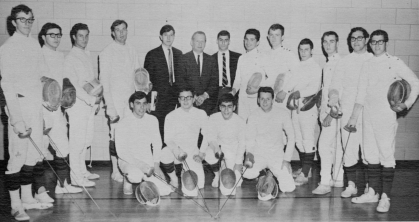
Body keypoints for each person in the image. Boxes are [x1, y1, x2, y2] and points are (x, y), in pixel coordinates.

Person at [349, 30, 419, 212]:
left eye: (380, 42)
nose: (377, 45)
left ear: (386, 43)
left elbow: (415, 82)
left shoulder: (394, 62)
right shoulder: (367, 63)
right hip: (367, 115)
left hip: (386, 115)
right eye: (374, 42)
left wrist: (407, 104)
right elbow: (361, 93)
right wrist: (354, 117)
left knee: (386, 154)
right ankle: (372, 192)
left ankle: (385, 197)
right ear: (369, 44)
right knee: (369, 155)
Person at [0, 4, 53, 221]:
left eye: (30, 20)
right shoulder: (7, 48)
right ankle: (15, 205)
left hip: (35, 106)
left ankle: (28, 199)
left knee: (34, 155)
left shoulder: (34, 45)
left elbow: (41, 77)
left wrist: (49, 99)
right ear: (13, 22)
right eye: (22, 20)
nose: (27, 24)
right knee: (17, 158)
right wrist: (16, 118)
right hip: (19, 108)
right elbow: (8, 86)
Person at [328, 27, 373, 198]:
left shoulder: (372, 59)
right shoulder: (344, 61)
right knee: (349, 150)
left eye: (359, 38)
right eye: (353, 38)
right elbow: (335, 86)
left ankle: (370, 187)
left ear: (366, 39)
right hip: (347, 111)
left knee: (369, 151)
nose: (356, 41)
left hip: (367, 112)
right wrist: (333, 98)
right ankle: (352, 185)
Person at [38, 22, 82, 194]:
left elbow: (62, 81)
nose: (56, 38)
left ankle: (62, 185)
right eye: (52, 35)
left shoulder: (60, 56)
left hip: (57, 110)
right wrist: (44, 105)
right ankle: (38, 192)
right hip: (42, 109)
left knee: (63, 146)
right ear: (43, 37)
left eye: (58, 35)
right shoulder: (38, 55)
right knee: (39, 152)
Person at [276, 38, 322, 186]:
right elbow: (291, 82)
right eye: (301, 50)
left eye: (306, 50)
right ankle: (304, 169)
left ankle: (305, 173)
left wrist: (298, 93)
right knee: (298, 140)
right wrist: (284, 91)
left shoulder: (315, 67)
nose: (303, 52)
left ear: (311, 50)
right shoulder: (299, 66)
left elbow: (314, 88)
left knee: (307, 139)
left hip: (308, 107)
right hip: (295, 108)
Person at [100, 20, 140, 183]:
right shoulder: (106, 52)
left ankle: (130, 168)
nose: (122, 33)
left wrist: (143, 92)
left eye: (124, 29)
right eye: (118, 30)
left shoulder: (132, 50)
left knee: (131, 136)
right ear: (112, 33)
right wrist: (110, 107)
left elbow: (138, 76)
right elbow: (104, 82)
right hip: (115, 102)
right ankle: (115, 169)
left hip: (130, 103)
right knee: (115, 136)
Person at [64, 23, 101, 187]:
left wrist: (96, 101)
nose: (84, 39)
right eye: (81, 36)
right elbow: (74, 86)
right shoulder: (70, 58)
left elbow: (91, 82)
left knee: (86, 141)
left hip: (89, 106)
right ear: (73, 37)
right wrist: (90, 100)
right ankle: (76, 178)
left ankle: (82, 171)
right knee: (77, 143)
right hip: (77, 106)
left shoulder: (86, 54)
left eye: (86, 35)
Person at [115, 91, 172, 196]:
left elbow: (157, 143)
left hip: (147, 159)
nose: (142, 107)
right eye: (138, 103)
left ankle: (147, 180)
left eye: (144, 103)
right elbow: (121, 152)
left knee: (165, 191)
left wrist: (156, 165)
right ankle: (127, 180)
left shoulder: (153, 120)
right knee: (135, 176)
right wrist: (140, 165)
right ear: (131, 105)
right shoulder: (123, 123)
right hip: (127, 160)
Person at [243, 87, 296, 199]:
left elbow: (292, 137)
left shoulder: (282, 113)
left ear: (272, 100)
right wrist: (249, 155)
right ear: (258, 100)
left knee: (288, 187)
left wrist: (287, 160)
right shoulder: (253, 116)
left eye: (268, 99)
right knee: (247, 173)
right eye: (262, 99)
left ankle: (271, 174)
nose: (265, 102)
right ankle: (263, 174)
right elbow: (249, 139)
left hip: (276, 155)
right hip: (259, 155)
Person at [160, 86, 208, 196]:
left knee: (198, 186)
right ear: (178, 99)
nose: (185, 100)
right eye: (182, 98)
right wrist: (178, 151)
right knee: (164, 153)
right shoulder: (171, 116)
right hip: (176, 152)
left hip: (192, 153)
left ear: (194, 98)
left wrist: (201, 153)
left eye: (188, 97)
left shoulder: (201, 114)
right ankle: (174, 179)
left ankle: (185, 171)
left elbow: (207, 135)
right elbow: (168, 139)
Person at [312, 31, 344, 194]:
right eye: (325, 41)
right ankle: (338, 178)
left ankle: (325, 182)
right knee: (335, 146)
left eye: (331, 41)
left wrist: (331, 114)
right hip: (328, 111)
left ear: (337, 43)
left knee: (324, 146)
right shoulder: (328, 63)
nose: (328, 45)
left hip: (334, 112)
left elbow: (338, 91)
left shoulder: (340, 62)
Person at [145, 24, 183, 143]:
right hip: (158, 99)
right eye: (165, 35)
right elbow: (147, 81)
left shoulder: (179, 54)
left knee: (172, 129)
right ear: (160, 37)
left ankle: (169, 157)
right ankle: (159, 157)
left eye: (171, 35)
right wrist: (148, 102)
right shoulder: (152, 54)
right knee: (158, 129)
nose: (168, 38)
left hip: (174, 99)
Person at [204, 93, 245, 195]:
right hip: (219, 150)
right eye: (223, 106)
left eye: (229, 107)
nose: (226, 110)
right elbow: (210, 138)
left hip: (233, 153)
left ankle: (226, 168)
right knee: (209, 154)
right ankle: (217, 174)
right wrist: (216, 148)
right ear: (219, 107)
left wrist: (238, 162)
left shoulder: (240, 121)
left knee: (237, 183)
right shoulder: (213, 118)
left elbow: (242, 143)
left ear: (234, 107)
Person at [178, 31, 218, 115]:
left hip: (207, 104)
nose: (200, 44)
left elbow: (214, 82)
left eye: (202, 41)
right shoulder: (183, 59)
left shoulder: (211, 60)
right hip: (189, 103)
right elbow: (181, 81)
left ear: (205, 43)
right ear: (191, 42)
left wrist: (204, 96)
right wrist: (193, 97)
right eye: (197, 41)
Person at [263, 23, 299, 110]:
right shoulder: (264, 55)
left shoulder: (289, 54)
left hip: (282, 98)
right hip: (267, 97)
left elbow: (297, 74)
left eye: (277, 35)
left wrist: (285, 91)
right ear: (268, 37)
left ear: (282, 37)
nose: (273, 38)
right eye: (271, 35)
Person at [232, 29, 265, 120]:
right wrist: (233, 91)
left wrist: (257, 89)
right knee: (242, 126)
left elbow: (267, 79)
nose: (248, 42)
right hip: (242, 98)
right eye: (246, 39)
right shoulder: (241, 58)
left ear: (257, 42)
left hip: (256, 99)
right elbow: (237, 80)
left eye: (252, 39)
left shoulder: (263, 57)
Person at [211, 30, 241, 112]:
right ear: (217, 41)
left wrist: (234, 92)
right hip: (217, 93)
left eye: (226, 40)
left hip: (232, 91)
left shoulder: (238, 57)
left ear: (229, 41)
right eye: (221, 40)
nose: (223, 43)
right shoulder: (210, 58)